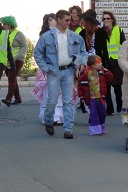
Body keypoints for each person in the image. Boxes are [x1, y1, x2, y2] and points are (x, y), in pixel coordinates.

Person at [34, 9, 88, 139]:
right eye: (67, 20)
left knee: (68, 101)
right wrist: (45, 68)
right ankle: (48, 121)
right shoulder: (47, 36)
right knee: (52, 100)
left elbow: (83, 52)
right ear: (58, 20)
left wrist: (81, 64)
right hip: (53, 71)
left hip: (69, 70)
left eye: (70, 20)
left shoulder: (75, 36)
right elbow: (38, 54)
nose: (69, 22)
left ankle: (68, 129)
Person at [78, 55, 113, 135]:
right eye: (99, 62)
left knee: (102, 113)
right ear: (93, 65)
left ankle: (101, 126)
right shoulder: (86, 74)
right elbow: (80, 84)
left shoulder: (102, 73)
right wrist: (81, 96)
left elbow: (110, 79)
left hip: (101, 97)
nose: (101, 63)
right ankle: (95, 130)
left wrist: (108, 72)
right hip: (92, 98)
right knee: (94, 114)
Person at [102, 11, 126, 114]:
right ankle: (109, 109)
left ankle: (120, 106)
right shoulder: (100, 32)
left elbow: (123, 45)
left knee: (117, 86)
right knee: (106, 87)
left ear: (112, 19)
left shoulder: (119, 30)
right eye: (104, 19)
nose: (106, 20)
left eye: (108, 18)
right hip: (105, 61)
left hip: (116, 62)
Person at [0, 16, 28, 106]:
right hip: (8, 61)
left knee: (11, 78)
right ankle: (18, 98)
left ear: (10, 24)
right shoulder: (5, 34)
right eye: (3, 24)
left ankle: (8, 98)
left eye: (5, 24)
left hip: (17, 60)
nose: (3, 25)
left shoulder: (18, 34)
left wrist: (20, 56)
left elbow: (24, 46)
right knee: (12, 78)